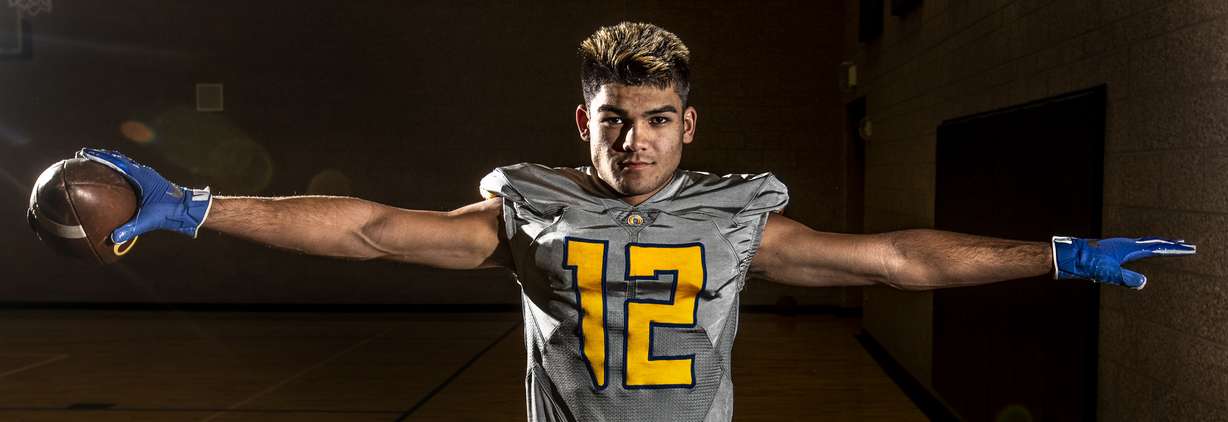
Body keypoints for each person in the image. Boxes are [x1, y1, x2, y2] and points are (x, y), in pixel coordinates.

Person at [76, 22, 1194, 422]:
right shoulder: (530, 204)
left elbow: (898, 257)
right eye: (615, 120)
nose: (637, 143)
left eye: (658, 120)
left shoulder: (741, 213)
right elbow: (372, 228)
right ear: (585, 120)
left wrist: (1060, 254)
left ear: (688, 122)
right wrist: (196, 206)